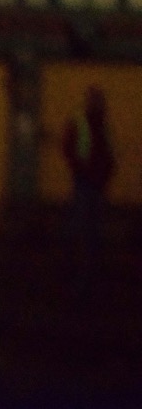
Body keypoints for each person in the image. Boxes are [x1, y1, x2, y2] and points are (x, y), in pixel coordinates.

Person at [61, 86, 115, 297]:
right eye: (95, 100)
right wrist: (81, 169)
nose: (98, 104)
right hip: (85, 182)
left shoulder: (103, 124)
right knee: (82, 226)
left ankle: (87, 273)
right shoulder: (79, 121)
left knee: (91, 228)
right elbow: (68, 147)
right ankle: (76, 272)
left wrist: (108, 171)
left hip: (97, 183)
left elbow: (108, 151)